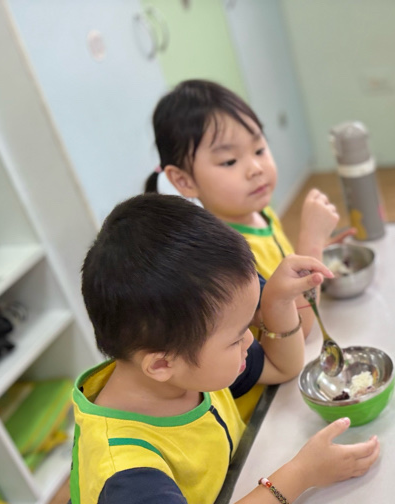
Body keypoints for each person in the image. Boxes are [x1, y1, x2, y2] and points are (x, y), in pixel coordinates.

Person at [73, 194, 380, 504]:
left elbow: (282, 367)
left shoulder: (185, 371)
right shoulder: (121, 463)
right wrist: (299, 475)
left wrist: (275, 304)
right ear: (161, 363)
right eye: (238, 337)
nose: (249, 344)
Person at [144, 79, 348, 418]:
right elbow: (300, 330)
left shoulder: (260, 213)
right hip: (263, 409)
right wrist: (311, 242)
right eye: (229, 161)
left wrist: (319, 248)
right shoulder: (221, 256)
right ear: (184, 180)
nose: (255, 168)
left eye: (259, 149)